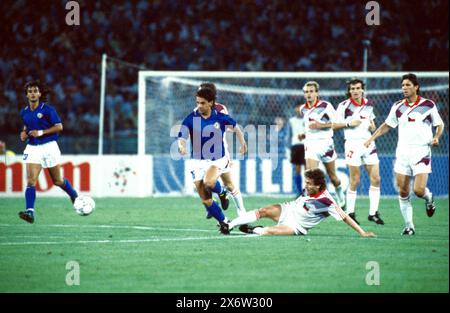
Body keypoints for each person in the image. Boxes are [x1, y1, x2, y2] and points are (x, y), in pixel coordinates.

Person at [364, 73, 444, 235]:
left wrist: (436, 137)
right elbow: (387, 125)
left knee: (419, 190)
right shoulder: (397, 106)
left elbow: (439, 124)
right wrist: (371, 138)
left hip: (421, 151)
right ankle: (409, 227)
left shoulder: (428, 105)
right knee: (403, 191)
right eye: (402, 86)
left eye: (408, 85)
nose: (404, 88)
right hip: (402, 152)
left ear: (416, 87)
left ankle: (429, 199)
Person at [219, 168, 375, 237]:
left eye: (309, 183)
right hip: (289, 210)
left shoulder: (327, 201)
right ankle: (230, 225)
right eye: (306, 182)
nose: (305, 185)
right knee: (264, 210)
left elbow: (345, 217)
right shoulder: (309, 188)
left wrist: (362, 233)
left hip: (297, 226)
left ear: (318, 186)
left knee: (270, 232)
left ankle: (253, 230)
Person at [178, 86, 247, 227]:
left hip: (217, 159)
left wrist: (243, 143)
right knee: (205, 199)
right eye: (197, 102)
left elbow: (235, 127)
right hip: (197, 161)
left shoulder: (220, 116)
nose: (199, 106)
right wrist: (181, 145)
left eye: (202, 103)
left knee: (209, 182)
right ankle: (224, 222)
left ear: (210, 102)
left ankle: (224, 194)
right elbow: (182, 134)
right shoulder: (192, 117)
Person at [18, 80, 79, 224]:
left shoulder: (47, 109)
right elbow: (26, 126)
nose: (33, 93)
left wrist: (41, 132)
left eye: (35, 91)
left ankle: (74, 196)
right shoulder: (24, 112)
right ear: (27, 94)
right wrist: (23, 134)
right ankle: (30, 212)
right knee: (31, 181)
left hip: (49, 146)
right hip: (33, 148)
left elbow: (59, 127)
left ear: (39, 94)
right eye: (30, 91)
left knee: (57, 181)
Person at [333, 79, 384, 225]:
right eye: (352, 88)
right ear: (349, 91)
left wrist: (372, 126)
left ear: (362, 89)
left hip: (369, 143)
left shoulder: (369, 104)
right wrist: (349, 123)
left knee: (376, 179)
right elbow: (333, 125)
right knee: (355, 180)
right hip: (352, 144)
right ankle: (350, 213)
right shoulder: (343, 106)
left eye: (358, 88)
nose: (355, 91)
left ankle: (373, 213)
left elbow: (372, 123)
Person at [196, 83, 247, 218]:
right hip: (203, 155)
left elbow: (229, 126)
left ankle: (242, 212)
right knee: (203, 183)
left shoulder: (220, 109)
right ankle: (213, 206)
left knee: (228, 184)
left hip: (219, 154)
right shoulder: (197, 110)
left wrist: (242, 142)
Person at [298, 81, 346, 208]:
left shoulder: (326, 106)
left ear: (317, 93)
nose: (309, 94)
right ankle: (310, 203)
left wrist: (321, 126)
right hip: (310, 144)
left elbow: (338, 124)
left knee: (333, 177)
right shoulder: (303, 109)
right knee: (310, 174)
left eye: (311, 91)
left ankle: (340, 194)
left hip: (326, 144)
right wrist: (304, 134)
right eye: (306, 92)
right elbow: (309, 127)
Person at [287, 103, 306, 197]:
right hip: (296, 146)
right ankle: (299, 192)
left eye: (300, 107)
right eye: (297, 107)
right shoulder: (291, 121)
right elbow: (289, 136)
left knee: (308, 170)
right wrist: (288, 148)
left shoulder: (307, 119)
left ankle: (307, 191)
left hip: (307, 145)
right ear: (295, 109)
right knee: (297, 170)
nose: (299, 109)